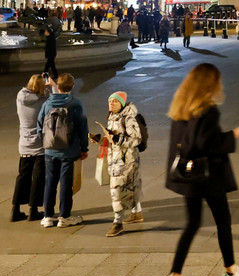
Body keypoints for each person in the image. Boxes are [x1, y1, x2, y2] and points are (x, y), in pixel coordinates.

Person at [163, 63, 239, 276]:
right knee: (223, 220)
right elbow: (203, 144)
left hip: (188, 176)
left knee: (192, 224)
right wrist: (231, 136)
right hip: (208, 176)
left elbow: (183, 145)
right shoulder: (208, 110)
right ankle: (230, 271)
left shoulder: (180, 108)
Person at [37, 72, 88, 227]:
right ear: (72, 87)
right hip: (69, 150)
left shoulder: (47, 104)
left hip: (50, 150)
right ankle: (64, 217)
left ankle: (47, 216)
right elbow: (82, 128)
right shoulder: (75, 104)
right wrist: (83, 148)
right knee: (66, 184)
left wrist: (46, 142)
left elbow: (39, 125)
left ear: (57, 87)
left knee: (50, 182)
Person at [90, 91, 143, 236]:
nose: (111, 104)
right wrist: (100, 139)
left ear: (122, 103)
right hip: (116, 160)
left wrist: (119, 140)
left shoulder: (129, 119)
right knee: (132, 187)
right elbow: (112, 141)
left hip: (127, 162)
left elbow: (137, 140)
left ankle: (117, 223)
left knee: (116, 192)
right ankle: (136, 213)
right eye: (110, 101)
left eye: (115, 101)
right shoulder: (112, 118)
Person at [11, 73, 51, 222]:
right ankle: (33, 210)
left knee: (23, 176)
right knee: (38, 178)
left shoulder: (20, 96)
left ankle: (15, 210)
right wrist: (48, 81)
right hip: (40, 144)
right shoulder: (43, 100)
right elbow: (55, 96)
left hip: (24, 144)